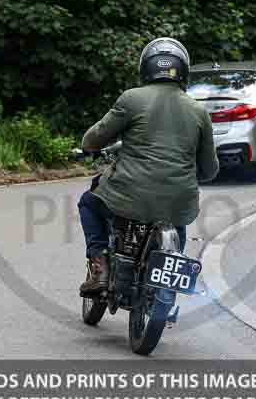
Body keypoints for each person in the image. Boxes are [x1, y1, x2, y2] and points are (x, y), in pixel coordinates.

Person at [78, 37, 220, 295]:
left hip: (128, 195)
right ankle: (170, 282)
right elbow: (210, 169)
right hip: (179, 201)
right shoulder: (199, 111)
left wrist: (90, 147)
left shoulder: (132, 99)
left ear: (146, 68)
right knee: (178, 225)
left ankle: (100, 266)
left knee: (88, 202)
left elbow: (93, 138)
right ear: (183, 71)